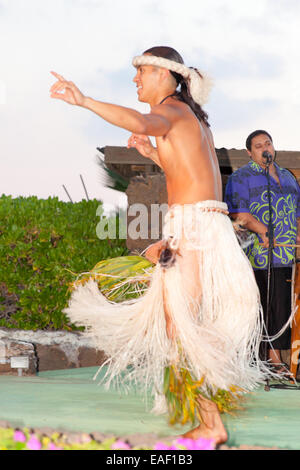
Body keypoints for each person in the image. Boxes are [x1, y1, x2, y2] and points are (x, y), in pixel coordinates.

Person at [50, 47, 270, 445]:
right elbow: (188, 169)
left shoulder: (170, 111)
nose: (136, 78)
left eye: (144, 70)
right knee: (181, 327)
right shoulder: (192, 119)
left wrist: (83, 101)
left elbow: (138, 119)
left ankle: (212, 424)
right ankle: (209, 417)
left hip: (193, 229)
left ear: (169, 76)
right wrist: (154, 152)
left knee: (182, 329)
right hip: (204, 225)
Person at [225, 130, 300, 373]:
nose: (265, 148)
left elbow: (297, 213)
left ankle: (279, 360)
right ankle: (273, 361)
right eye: (258, 146)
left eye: (268, 143)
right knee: (267, 303)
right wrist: (262, 229)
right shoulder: (241, 176)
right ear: (250, 152)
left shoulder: (288, 177)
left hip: (289, 254)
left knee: (285, 305)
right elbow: (237, 212)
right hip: (260, 253)